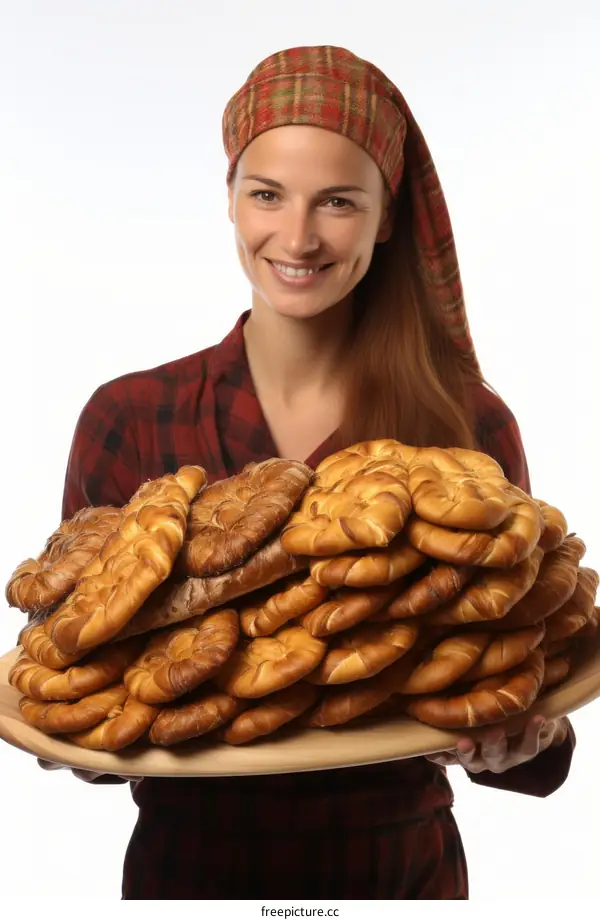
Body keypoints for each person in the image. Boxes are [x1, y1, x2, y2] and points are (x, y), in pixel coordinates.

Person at [39, 45, 575, 899]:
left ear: (386, 217)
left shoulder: (466, 429)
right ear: (228, 199)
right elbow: (84, 693)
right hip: (191, 880)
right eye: (266, 195)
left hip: (400, 878)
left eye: (336, 202)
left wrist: (525, 746)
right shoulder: (130, 418)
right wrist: (81, 736)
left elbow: (518, 691)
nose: (295, 237)